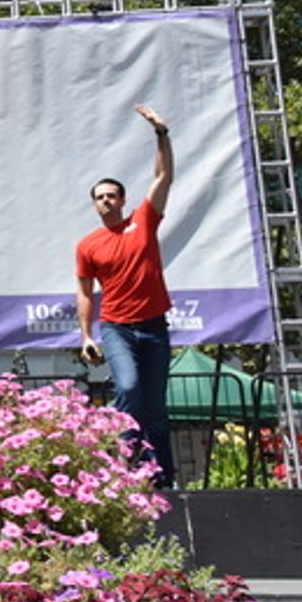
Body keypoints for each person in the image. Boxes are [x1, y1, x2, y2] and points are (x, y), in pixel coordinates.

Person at [77, 104, 176, 488]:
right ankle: (126, 471)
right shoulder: (88, 245)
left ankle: (164, 478)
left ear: (122, 200)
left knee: (156, 407)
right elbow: (85, 291)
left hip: (154, 327)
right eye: (99, 197)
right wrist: (86, 335)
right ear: (94, 204)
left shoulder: (143, 221)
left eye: (111, 195)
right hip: (117, 328)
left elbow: (164, 176)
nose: (106, 200)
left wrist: (161, 134)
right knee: (129, 389)